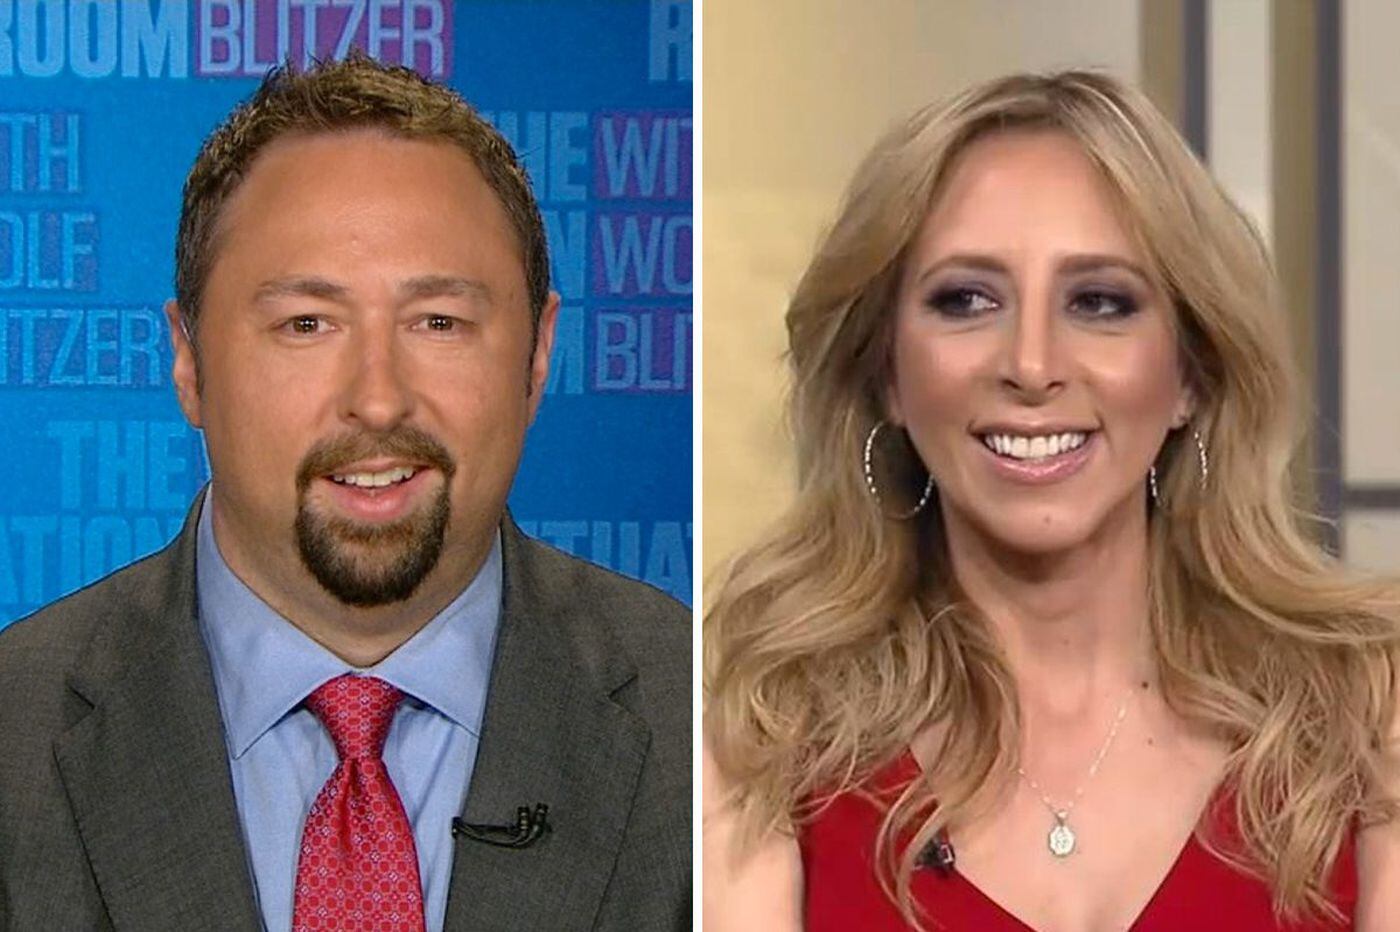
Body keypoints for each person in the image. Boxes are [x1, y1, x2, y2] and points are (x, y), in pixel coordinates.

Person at [0, 55, 690, 932]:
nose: (378, 399)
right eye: (307, 324)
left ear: (538, 353)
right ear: (188, 362)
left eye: (438, 322)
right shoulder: (14, 733)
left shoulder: (699, 718)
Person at [703, 71, 1400, 931]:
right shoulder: (763, 734)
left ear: (1190, 373)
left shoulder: (1369, 709)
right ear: (886, 371)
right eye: (967, 300)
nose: (1031, 365)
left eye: (1099, 302)